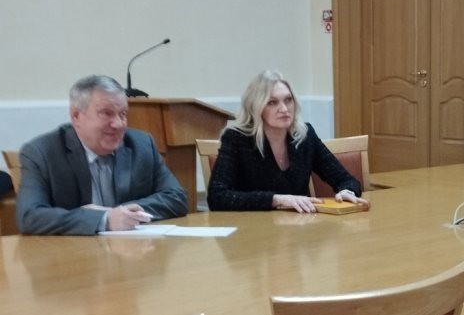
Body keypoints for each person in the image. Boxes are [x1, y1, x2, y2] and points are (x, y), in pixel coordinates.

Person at [16, 75, 188, 235]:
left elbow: (176, 197)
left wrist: (122, 214)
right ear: (76, 115)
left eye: (123, 114)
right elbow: (30, 216)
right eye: (107, 113)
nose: (118, 124)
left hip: (133, 251)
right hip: (73, 253)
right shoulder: (42, 152)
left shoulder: (141, 145)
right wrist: (104, 219)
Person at [207, 70, 370, 212]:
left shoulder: (305, 135)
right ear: (256, 107)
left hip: (299, 228)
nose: (284, 109)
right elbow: (217, 197)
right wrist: (277, 200)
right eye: (272, 102)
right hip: (253, 230)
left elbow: (346, 180)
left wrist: (347, 191)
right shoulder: (236, 139)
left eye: (288, 100)